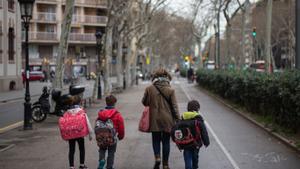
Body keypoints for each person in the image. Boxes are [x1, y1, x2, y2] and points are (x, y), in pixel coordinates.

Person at [142, 68, 180, 169]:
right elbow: (174, 106)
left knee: (155, 140)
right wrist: (178, 119)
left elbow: (144, 102)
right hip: (168, 119)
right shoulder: (171, 90)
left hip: (154, 119)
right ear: (167, 77)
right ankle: (166, 164)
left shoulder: (150, 89)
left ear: (155, 77)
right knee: (166, 141)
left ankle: (157, 157)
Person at [97, 95, 125, 169]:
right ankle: (109, 166)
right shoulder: (117, 114)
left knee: (102, 149)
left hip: (102, 136)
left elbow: (97, 124)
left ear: (106, 103)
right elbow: (121, 127)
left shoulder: (101, 113)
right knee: (111, 152)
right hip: (112, 137)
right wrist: (121, 136)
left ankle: (102, 160)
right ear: (114, 103)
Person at [65, 95, 93, 169]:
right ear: (80, 102)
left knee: (71, 149)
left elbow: (64, 124)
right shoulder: (81, 111)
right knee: (81, 148)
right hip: (80, 133)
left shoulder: (67, 112)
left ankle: (71, 166)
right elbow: (87, 122)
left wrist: (65, 135)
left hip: (71, 133)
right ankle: (82, 164)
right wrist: (90, 134)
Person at [182, 100, 210, 169]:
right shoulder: (199, 119)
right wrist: (206, 142)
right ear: (197, 109)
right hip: (196, 143)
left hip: (186, 143)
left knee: (187, 156)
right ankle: (195, 166)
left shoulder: (183, 117)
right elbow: (204, 131)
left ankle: (188, 167)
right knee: (195, 156)